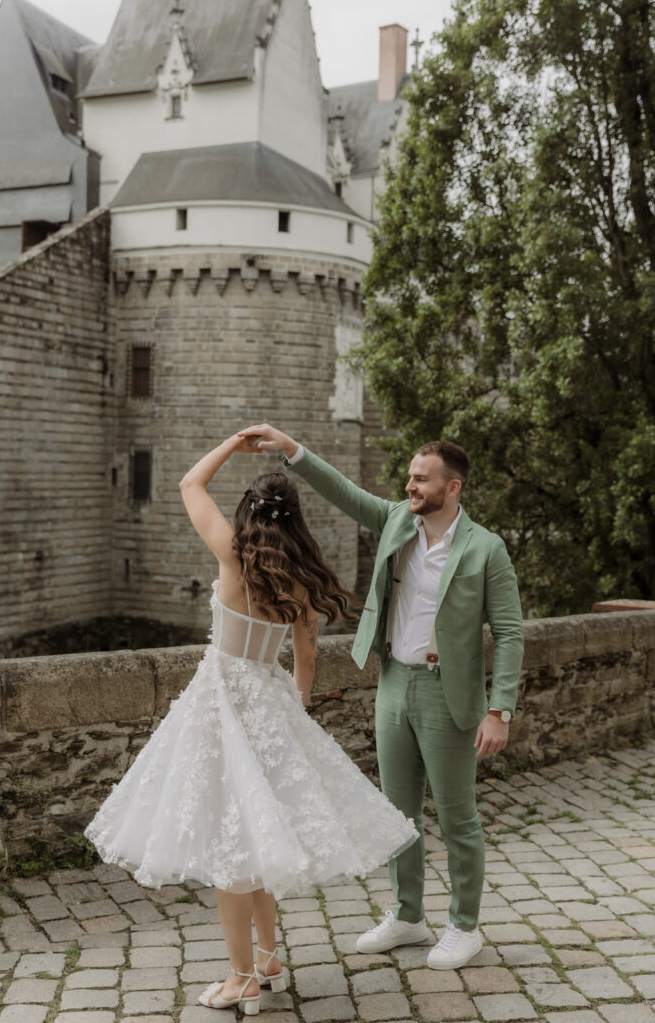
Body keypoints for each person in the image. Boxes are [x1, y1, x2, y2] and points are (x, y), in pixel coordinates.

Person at [85, 431, 417, 1015]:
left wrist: (228, 446)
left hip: (219, 702)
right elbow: (307, 659)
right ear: (296, 523)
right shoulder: (302, 580)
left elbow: (189, 483)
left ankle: (242, 977)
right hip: (268, 699)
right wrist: (292, 708)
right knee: (258, 834)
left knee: (231, 845)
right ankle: (267, 958)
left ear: (248, 514)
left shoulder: (232, 554)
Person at [238, 424, 524, 971]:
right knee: (398, 814)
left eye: (422, 479)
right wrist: (290, 447)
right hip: (393, 683)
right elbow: (345, 492)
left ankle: (464, 927)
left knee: (458, 818)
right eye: (410, 477)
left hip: (449, 694)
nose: (411, 485)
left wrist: (498, 709)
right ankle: (407, 915)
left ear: (453, 487)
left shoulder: (486, 548)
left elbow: (510, 633)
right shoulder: (397, 520)